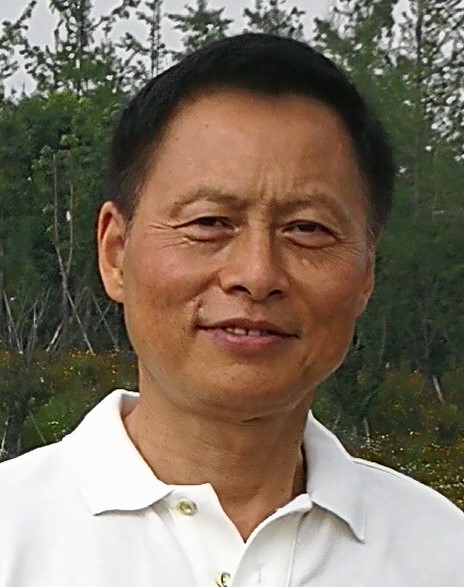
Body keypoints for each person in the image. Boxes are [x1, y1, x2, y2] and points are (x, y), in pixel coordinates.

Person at [0, 33, 463, 587]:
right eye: (209, 223)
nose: (257, 275)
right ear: (115, 252)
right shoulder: (13, 535)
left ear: (367, 272)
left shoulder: (441, 553)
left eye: (307, 229)